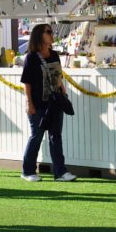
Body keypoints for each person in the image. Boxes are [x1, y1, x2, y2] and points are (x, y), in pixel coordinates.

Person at [20, 23, 77, 182]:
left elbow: (58, 76)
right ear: (39, 35)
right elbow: (27, 83)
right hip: (38, 103)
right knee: (36, 136)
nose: (52, 35)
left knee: (56, 136)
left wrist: (63, 91)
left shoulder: (54, 55)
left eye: (52, 32)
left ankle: (60, 172)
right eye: (48, 32)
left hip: (55, 101)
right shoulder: (31, 57)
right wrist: (29, 103)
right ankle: (28, 171)